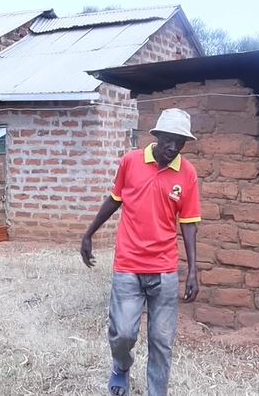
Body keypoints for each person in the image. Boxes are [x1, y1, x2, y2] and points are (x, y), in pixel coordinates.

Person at [80, 108, 201, 396]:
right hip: (129, 265)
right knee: (122, 334)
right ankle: (121, 366)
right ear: (157, 136)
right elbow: (115, 199)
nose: (173, 147)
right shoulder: (131, 162)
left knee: (162, 340)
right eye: (169, 140)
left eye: (180, 142)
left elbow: (189, 223)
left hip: (165, 269)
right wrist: (89, 233)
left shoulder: (187, 173)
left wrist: (194, 269)